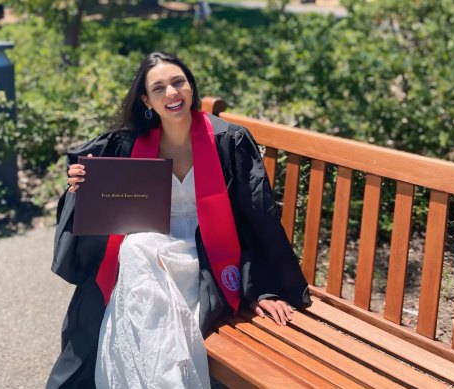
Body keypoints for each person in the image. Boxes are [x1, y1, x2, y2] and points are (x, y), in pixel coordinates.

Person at [47, 52, 312, 389]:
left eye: (178, 82)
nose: (171, 93)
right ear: (146, 100)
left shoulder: (227, 140)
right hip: (152, 247)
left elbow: (258, 214)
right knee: (138, 248)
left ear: (190, 87)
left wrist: (265, 287)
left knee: (138, 260)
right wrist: (78, 186)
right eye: (159, 88)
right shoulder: (127, 143)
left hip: (207, 254)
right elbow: (95, 197)